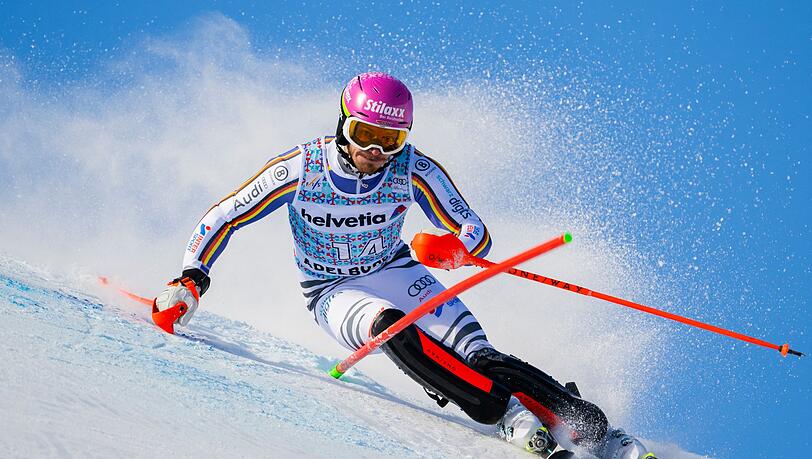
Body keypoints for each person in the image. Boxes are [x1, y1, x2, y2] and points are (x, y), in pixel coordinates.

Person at [155, 72, 655, 459]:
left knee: (482, 357)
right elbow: (227, 215)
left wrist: (453, 247)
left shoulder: (414, 168)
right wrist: (190, 280)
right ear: (341, 125)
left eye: (388, 140)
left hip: (396, 270)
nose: (375, 152)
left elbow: (474, 231)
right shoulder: (302, 169)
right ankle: (503, 413)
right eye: (364, 134)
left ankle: (596, 431)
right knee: (391, 328)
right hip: (332, 289)